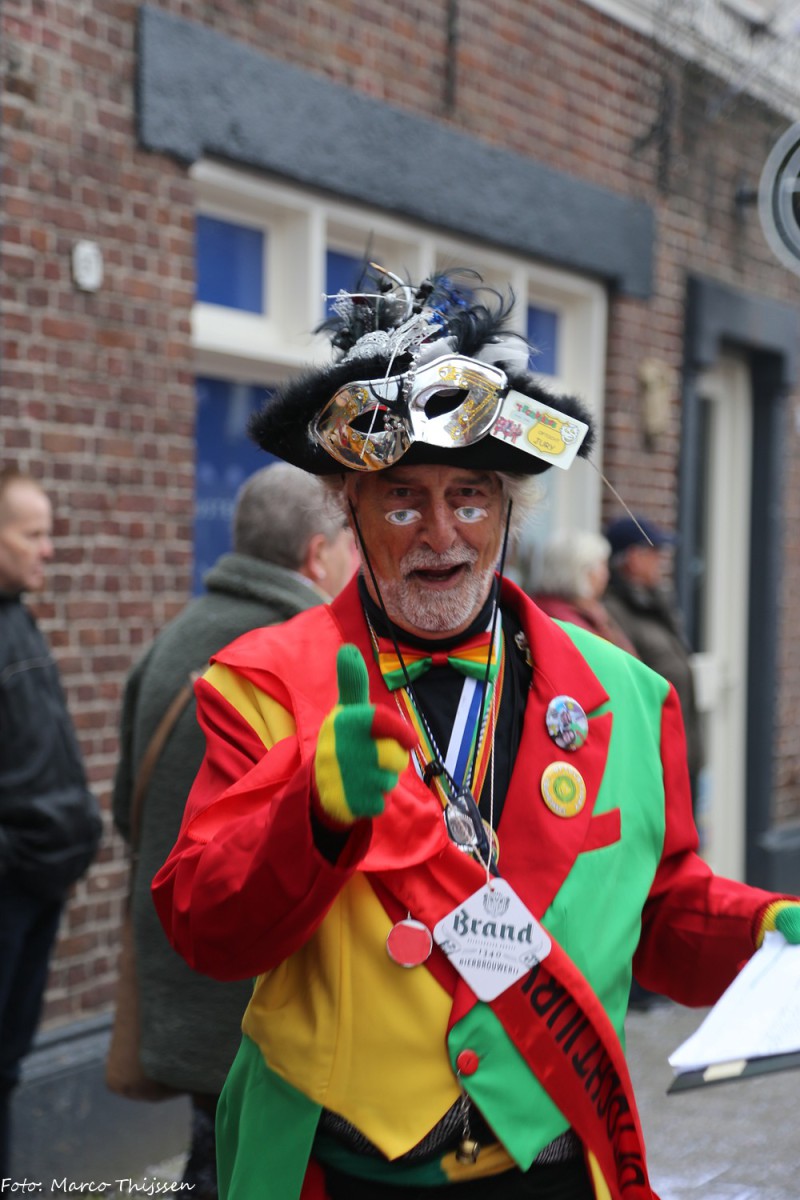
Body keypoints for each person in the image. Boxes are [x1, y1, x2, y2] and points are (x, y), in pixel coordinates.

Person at [151, 268, 800, 1200]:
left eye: (470, 497)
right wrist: (313, 813)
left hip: (550, 1171)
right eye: (401, 499)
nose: (440, 533)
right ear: (349, 509)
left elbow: (656, 913)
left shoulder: (627, 694)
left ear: (508, 513)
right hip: (340, 1177)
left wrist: (763, 933)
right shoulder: (261, 686)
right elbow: (204, 930)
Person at [112, 462, 358, 1200]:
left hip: (180, 970)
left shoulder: (174, 637)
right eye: (351, 542)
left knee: (210, 1153)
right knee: (240, 1167)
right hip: (256, 993)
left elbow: (125, 805)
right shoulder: (291, 660)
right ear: (317, 554)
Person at [0, 469, 101, 1177]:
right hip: (11, 885)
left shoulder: (18, 620)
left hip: (37, 885)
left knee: (8, 1065)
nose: (49, 550)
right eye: (33, 534)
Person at [602, 516, 703, 803]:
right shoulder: (614, 612)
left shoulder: (654, 605)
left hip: (678, 758)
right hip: (653, 764)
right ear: (633, 558)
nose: (661, 560)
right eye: (655, 552)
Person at [528, 530, 637, 655]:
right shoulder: (568, 622)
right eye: (602, 565)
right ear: (581, 571)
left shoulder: (587, 610)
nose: (606, 574)